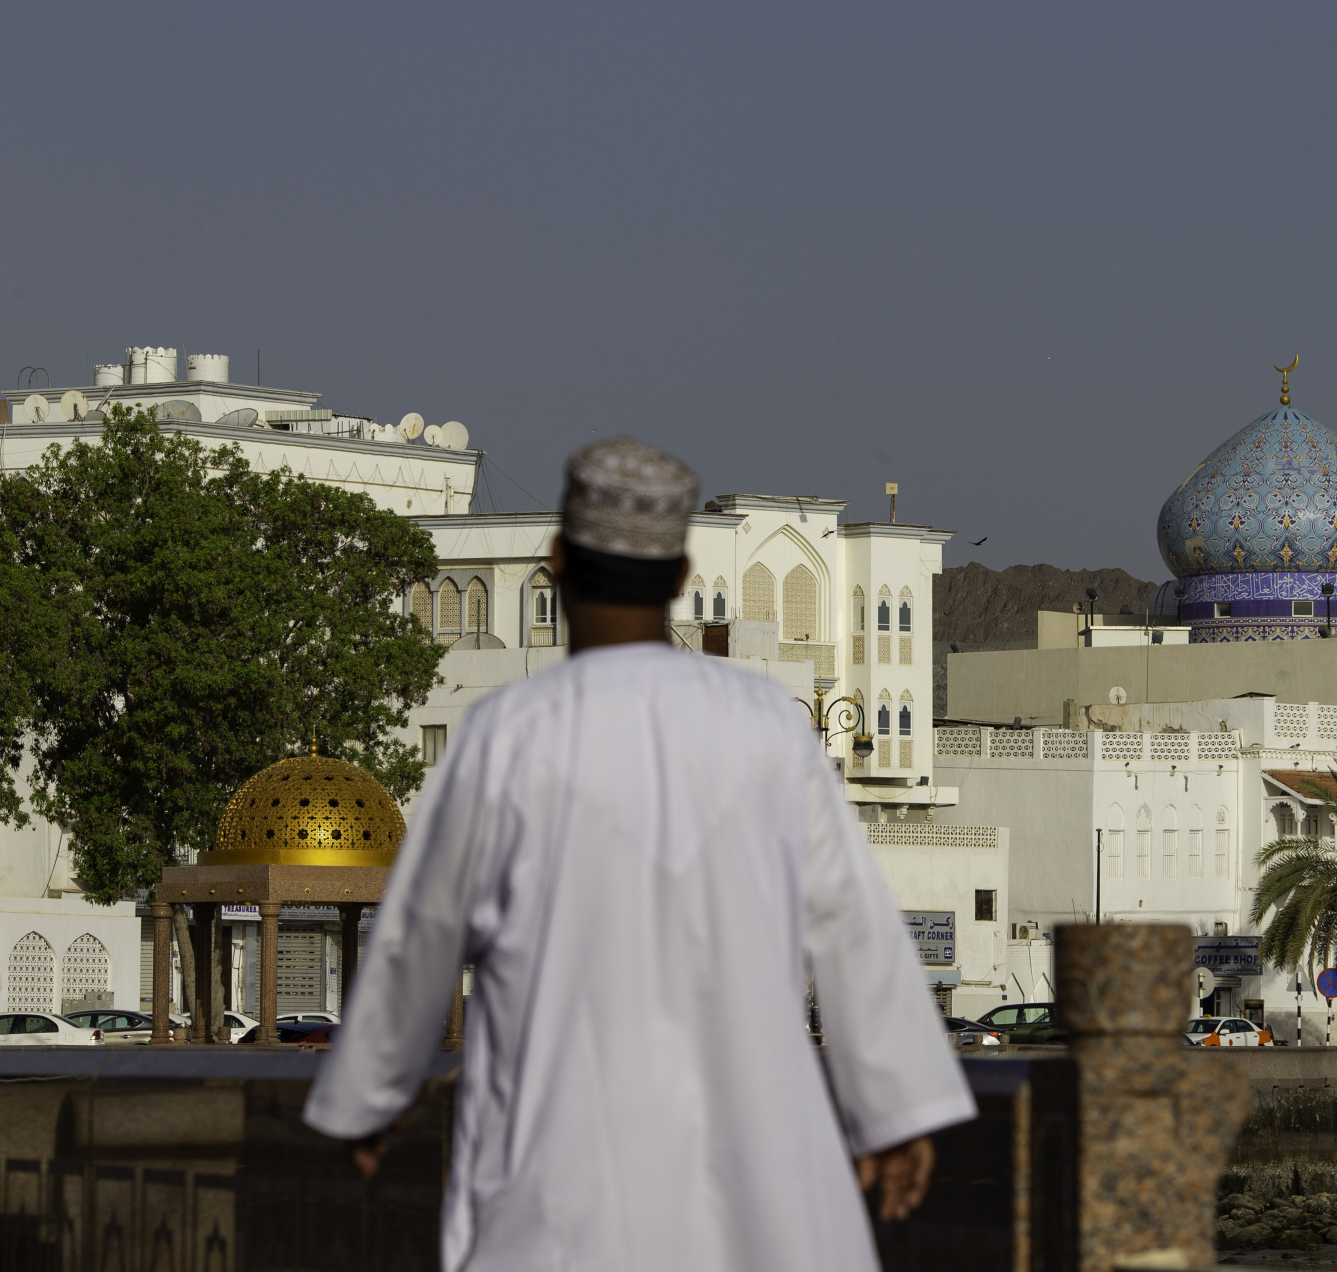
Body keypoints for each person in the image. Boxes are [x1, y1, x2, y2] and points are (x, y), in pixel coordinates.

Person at [305, 437, 975, 1271]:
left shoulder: (507, 737)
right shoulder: (767, 727)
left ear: (556, 562)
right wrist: (897, 1106)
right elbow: (852, 929)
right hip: (756, 1199)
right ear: (683, 576)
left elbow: (418, 939)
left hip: (561, 1197)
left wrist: (368, 1094)